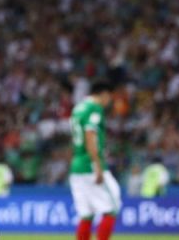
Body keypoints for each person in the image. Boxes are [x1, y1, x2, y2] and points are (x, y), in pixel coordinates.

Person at [69, 79, 121, 240]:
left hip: (77, 166)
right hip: (90, 165)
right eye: (110, 97)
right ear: (104, 94)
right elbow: (90, 134)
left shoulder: (78, 108)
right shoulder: (94, 108)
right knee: (112, 207)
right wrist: (97, 165)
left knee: (86, 213)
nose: (109, 101)